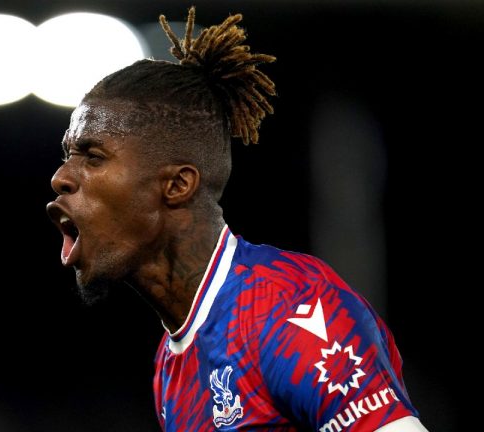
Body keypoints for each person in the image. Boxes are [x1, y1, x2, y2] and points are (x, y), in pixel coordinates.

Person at [45, 7, 427, 432]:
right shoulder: (170, 364)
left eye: (92, 157)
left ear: (176, 185)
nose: (61, 178)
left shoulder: (291, 313)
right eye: (67, 156)